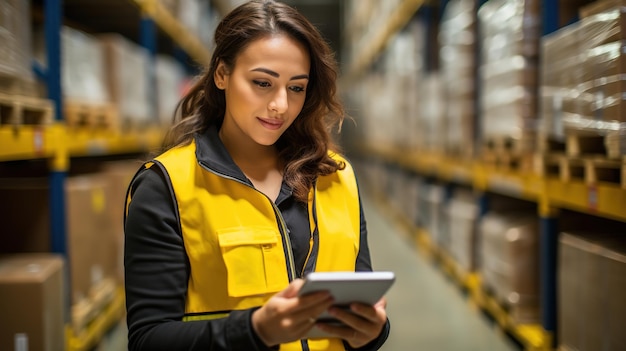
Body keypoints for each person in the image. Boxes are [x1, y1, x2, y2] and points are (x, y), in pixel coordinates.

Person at [123, 1, 390, 350]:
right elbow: (148, 340)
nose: (280, 105)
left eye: (296, 88)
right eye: (263, 83)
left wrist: (373, 332)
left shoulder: (337, 177)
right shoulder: (166, 186)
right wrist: (254, 330)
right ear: (221, 74)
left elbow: (360, 308)